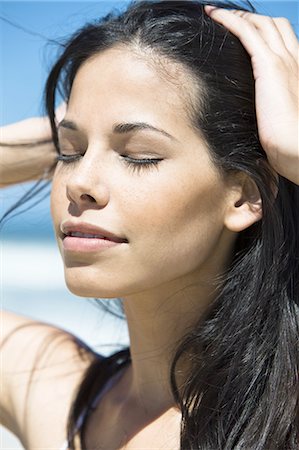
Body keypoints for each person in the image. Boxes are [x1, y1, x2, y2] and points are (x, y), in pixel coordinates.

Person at [0, 1, 298, 449]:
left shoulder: (285, 416)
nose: (79, 182)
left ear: (243, 195)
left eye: (139, 154)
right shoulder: (52, 391)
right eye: (70, 151)